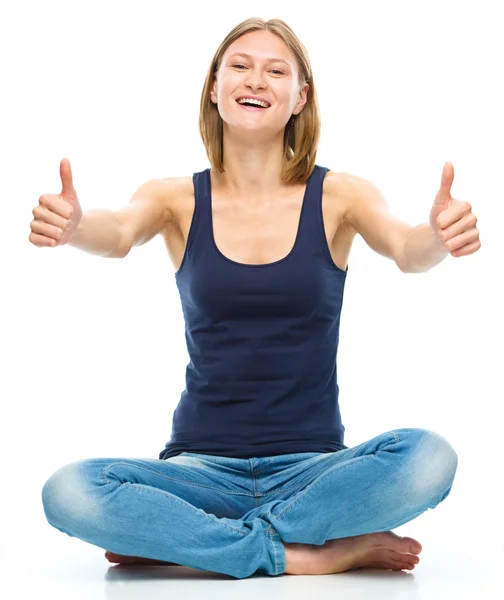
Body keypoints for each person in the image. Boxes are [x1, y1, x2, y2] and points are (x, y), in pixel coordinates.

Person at [33, 17, 480, 580]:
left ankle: (188, 540)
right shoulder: (174, 198)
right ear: (215, 88)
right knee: (69, 491)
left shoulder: (340, 194)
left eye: (277, 70)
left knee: (429, 458)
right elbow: (119, 232)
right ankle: (311, 550)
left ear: (300, 97)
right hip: (199, 472)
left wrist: (438, 237)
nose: (257, 80)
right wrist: (74, 227)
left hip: (313, 471)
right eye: (240, 66)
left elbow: (408, 248)